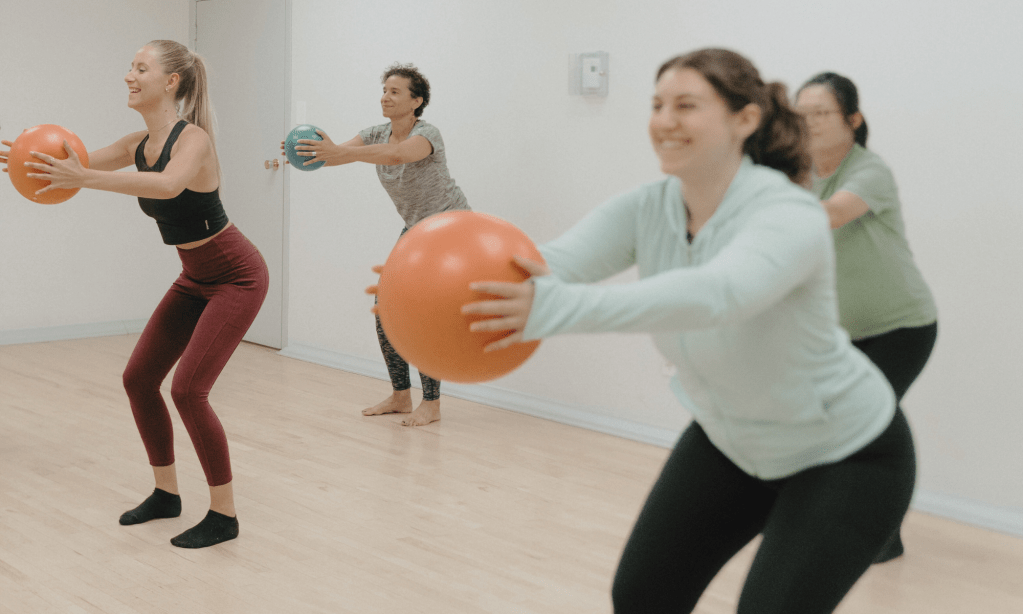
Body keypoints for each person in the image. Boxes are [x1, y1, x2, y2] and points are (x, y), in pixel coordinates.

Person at [460, 49, 916, 613]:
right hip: (733, 439)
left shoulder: (787, 215)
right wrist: (432, 286)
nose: (665, 120)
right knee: (644, 596)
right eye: (656, 105)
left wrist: (560, 309)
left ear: (744, 120)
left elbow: (718, 295)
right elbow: (544, 263)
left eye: (686, 105)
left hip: (845, 454)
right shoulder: (647, 208)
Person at [2, 40, 269, 549]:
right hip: (194, 275)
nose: (128, 75)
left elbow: (166, 186)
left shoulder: (193, 141)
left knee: (189, 390)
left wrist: (84, 177)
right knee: (139, 379)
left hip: (237, 275)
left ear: (171, 82)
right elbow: (70, 163)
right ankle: (166, 494)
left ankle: (224, 514)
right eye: (130, 66)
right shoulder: (137, 143)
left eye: (140, 68)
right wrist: (20, 157)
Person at [795, 72, 938, 563]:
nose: (809, 122)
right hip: (844, 334)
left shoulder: (868, 170)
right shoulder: (795, 173)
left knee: (872, 423)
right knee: (846, 426)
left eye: (821, 113)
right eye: (802, 114)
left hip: (903, 326)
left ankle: (881, 536)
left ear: (852, 120)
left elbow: (831, 214)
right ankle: (860, 526)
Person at [289, 63, 470, 427]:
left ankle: (431, 403)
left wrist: (341, 152)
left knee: (421, 313)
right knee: (385, 308)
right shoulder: (374, 133)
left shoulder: (427, 133)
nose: (385, 97)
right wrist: (309, 151)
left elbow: (397, 155)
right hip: (416, 229)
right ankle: (401, 396)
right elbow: (336, 155)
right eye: (384, 90)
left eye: (395, 92)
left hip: (450, 228)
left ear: (417, 101)